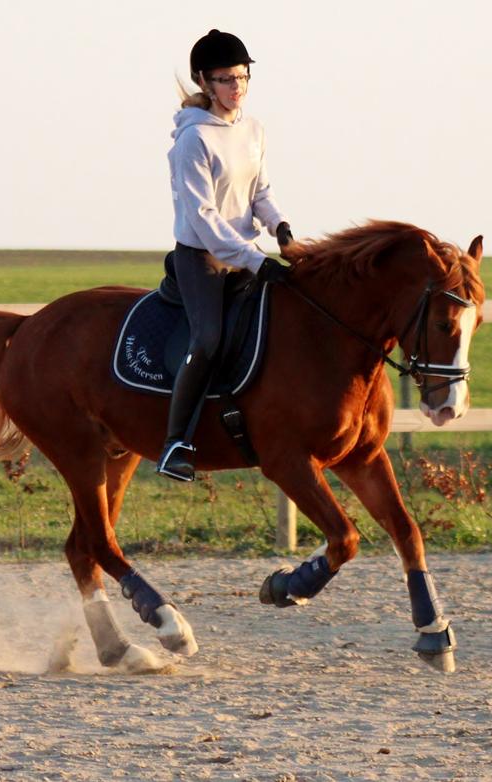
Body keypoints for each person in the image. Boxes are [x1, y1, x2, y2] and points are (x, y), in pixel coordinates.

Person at [156, 29, 295, 482]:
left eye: (242, 77)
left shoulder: (253, 130)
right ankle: (177, 441)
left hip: (247, 252)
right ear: (203, 81)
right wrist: (257, 261)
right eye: (225, 79)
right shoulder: (193, 141)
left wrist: (282, 230)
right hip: (203, 260)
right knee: (209, 339)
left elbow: (261, 191)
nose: (236, 88)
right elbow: (204, 220)